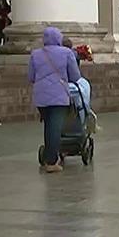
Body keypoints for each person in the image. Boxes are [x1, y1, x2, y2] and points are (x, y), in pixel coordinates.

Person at [28, 28, 82, 173]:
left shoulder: (35, 54)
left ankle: (48, 157)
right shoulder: (66, 53)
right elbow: (75, 76)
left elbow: (31, 77)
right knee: (55, 128)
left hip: (40, 96)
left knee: (48, 126)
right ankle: (52, 162)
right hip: (59, 94)